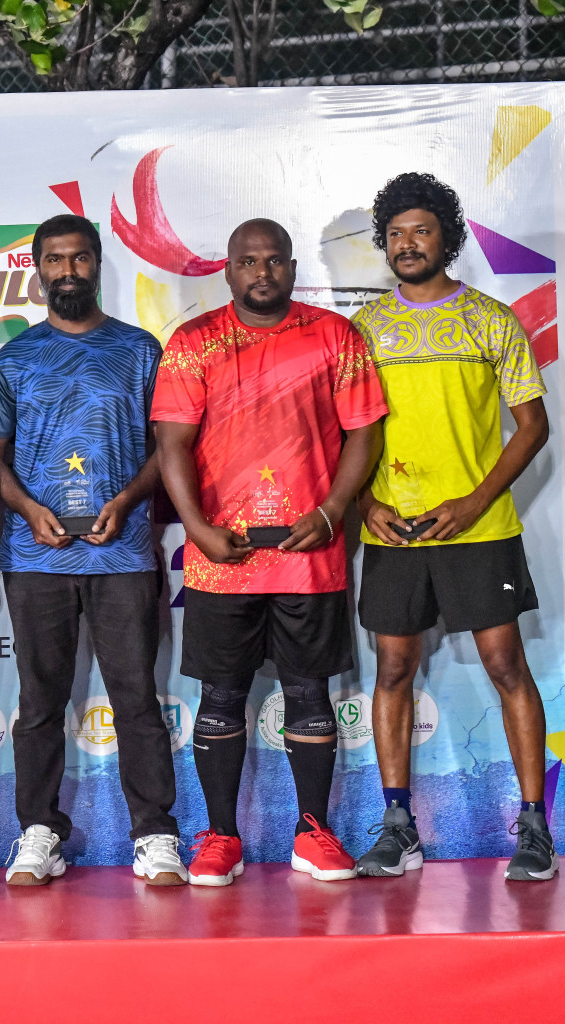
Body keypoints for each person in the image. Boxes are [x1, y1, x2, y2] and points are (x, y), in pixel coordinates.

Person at [153, 219, 386, 886]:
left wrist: (333, 511)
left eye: (274, 261)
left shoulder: (335, 337)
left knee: (309, 693)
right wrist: (195, 527)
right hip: (220, 558)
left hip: (308, 551)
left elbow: (363, 435)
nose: (262, 272)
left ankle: (313, 832)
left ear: (290, 268)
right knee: (221, 696)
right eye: (248, 262)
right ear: (227, 271)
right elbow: (171, 445)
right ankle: (221, 837)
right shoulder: (194, 343)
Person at [351, 173, 554, 881]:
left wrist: (472, 500)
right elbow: (344, 432)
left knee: (505, 666)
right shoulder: (364, 329)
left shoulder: (492, 320)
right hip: (394, 531)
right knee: (395, 669)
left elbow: (533, 427)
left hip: (479, 529)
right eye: (397, 234)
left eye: (423, 231)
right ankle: (398, 825)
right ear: (385, 244)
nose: (409, 245)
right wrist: (361, 505)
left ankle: (534, 828)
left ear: (449, 238)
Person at [0, 215, 186, 888]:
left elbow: (168, 451)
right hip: (37, 556)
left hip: (122, 553)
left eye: (78, 258)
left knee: (136, 697)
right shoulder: (15, 359)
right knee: (40, 703)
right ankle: (39, 832)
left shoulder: (138, 351)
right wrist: (29, 510)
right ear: (37, 269)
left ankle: (155, 834)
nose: (67, 270)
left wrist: (126, 501)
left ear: (97, 264)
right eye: (54, 260)